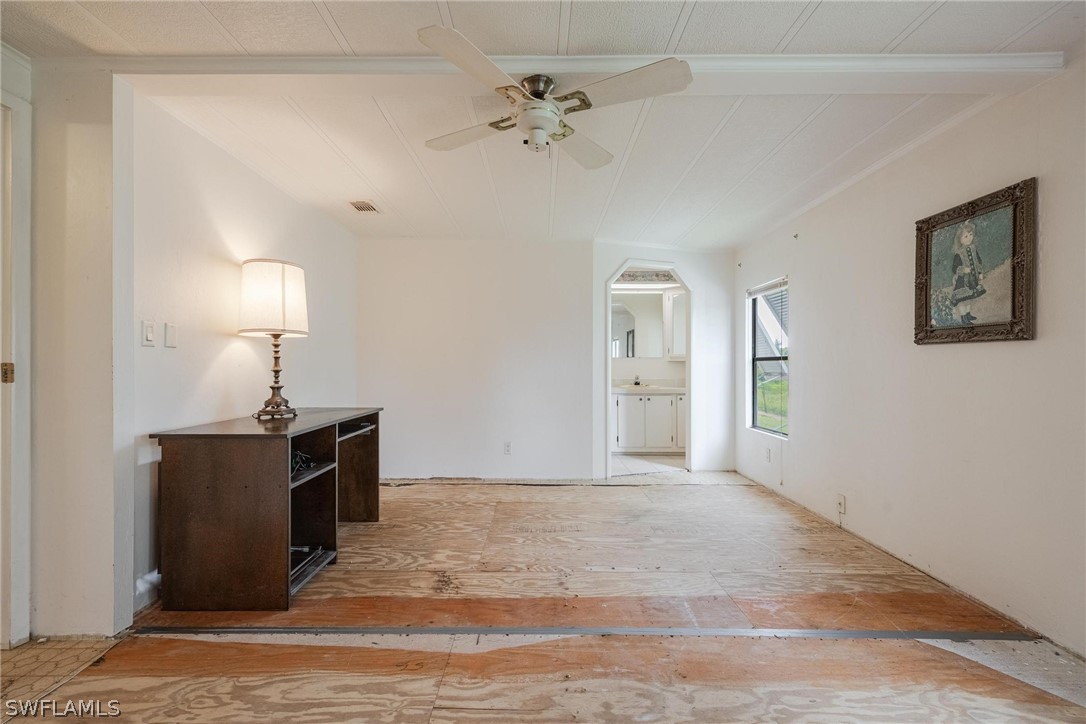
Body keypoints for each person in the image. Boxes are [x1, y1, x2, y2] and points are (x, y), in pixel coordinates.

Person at [949, 220, 985, 324]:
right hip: (962, 281)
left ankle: (968, 314)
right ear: (960, 239)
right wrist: (963, 270)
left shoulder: (973, 249)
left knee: (970, 297)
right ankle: (963, 317)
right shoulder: (959, 253)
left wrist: (980, 273)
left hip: (972, 279)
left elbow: (979, 261)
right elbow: (954, 268)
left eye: (971, 235)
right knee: (962, 300)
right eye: (965, 236)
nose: (969, 238)